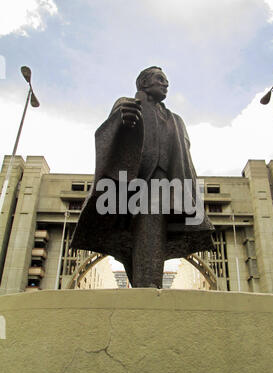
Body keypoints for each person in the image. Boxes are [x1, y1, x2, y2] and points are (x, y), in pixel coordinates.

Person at [71, 66, 214, 288]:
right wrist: (123, 119)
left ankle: (147, 287)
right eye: (160, 79)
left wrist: (191, 196)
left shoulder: (175, 119)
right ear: (144, 84)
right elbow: (110, 132)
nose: (166, 84)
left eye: (167, 81)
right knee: (135, 238)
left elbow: (187, 160)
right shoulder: (127, 103)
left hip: (166, 183)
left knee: (149, 232)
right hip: (133, 183)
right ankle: (146, 288)